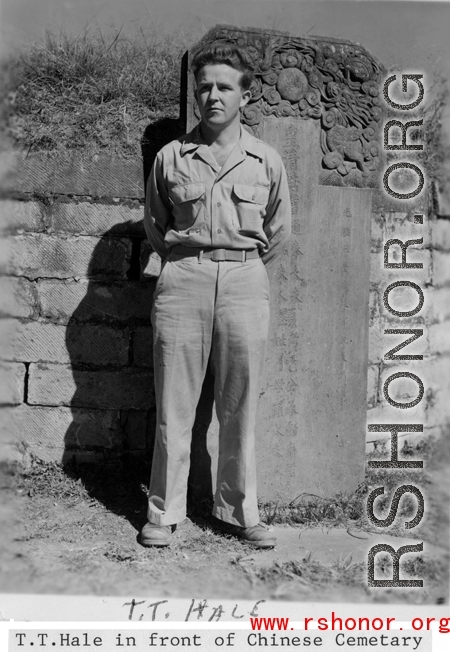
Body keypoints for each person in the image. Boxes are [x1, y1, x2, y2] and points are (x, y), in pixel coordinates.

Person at [141, 42, 291, 548]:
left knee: (239, 405)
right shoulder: (170, 158)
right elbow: (156, 226)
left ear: (244, 96)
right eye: (204, 87)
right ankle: (163, 513)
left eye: (225, 87)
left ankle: (240, 511)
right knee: (174, 406)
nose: (212, 96)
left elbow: (279, 230)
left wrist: (236, 268)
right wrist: (193, 264)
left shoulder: (266, 160)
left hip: (246, 282)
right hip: (184, 279)